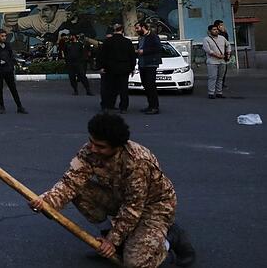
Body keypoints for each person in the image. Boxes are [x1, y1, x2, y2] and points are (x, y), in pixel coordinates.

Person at [28, 113, 195, 267]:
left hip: (153, 208)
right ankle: (115, 237)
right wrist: (46, 201)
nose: (93, 149)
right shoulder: (90, 150)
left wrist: (112, 241)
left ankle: (169, 240)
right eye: (91, 141)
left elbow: (133, 208)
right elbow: (70, 182)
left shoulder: (137, 162)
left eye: (100, 146)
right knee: (80, 189)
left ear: (117, 146)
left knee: (135, 263)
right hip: (121, 197)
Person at [98, 24, 136, 113]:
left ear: (113, 30)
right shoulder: (127, 42)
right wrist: (132, 67)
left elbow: (102, 55)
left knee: (109, 88)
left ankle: (108, 105)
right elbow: (132, 56)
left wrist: (101, 66)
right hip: (124, 68)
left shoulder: (108, 41)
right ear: (122, 30)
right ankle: (123, 107)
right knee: (123, 89)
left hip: (110, 68)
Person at [0, 29, 26, 114]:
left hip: (8, 70)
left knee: (13, 89)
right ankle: (2, 107)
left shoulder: (7, 45)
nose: (4, 38)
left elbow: (11, 56)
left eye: (5, 36)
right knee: (0, 89)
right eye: (2, 36)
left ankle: (19, 107)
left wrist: (13, 65)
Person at [135, 22, 162, 114]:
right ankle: (150, 105)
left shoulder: (153, 36)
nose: (136, 30)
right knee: (145, 85)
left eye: (137, 28)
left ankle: (155, 107)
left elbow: (158, 48)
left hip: (151, 63)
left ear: (143, 27)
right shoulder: (141, 38)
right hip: (142, 63)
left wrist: (144, 51)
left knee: (150, 85)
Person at [202, 24, 229, 99]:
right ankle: (211, 93)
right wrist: (217, 55)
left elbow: (228, 45)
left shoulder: (222, 38)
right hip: (212, 62)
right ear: (209, 31)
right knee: (212, 77)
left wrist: (228, 53)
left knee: (220, 78)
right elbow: (208, 50)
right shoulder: (206, 39)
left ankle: (219, 93)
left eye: (217, 29)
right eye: (214, 29)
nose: (216, 30)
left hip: (222, 61)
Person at [213, 19, 231, 92]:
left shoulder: (224, 33)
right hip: (217, 54)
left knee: (223, 70)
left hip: (224, 54)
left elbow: (227, 43)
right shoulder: (215, 34)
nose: (223, 26)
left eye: (223, 25)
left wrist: (228, 53)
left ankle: (222, 83)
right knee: (217, 70)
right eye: (221, 25)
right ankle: (217, 85)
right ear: (217, 26)